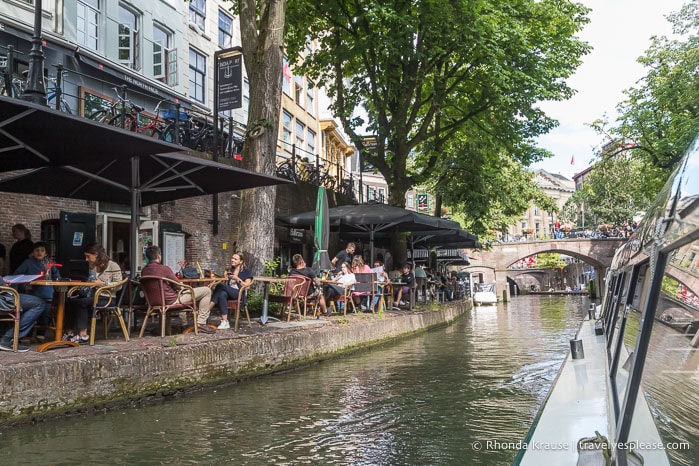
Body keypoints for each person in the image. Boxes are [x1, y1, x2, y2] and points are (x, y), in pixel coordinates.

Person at [141, 245, 214, 334]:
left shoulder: (144, 271)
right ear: (158, 256)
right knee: (206, 290)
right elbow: (178, 285)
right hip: (172, 300)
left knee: (173, 295)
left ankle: (165, 329)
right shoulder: (164, 269)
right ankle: (201, 324)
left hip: (154, 302)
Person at [64, 243, 123, 343]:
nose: (86, 259)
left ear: (96, 254)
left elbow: (119, 285)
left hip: (107, 298)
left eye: (88, 256)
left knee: (82, 303)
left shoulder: (113, 265)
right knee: (70, 301)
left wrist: (102, 284)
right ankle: (69, 332)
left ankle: (83, 335)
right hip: (93, 295)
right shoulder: (94, 268)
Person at [14, 241, 61, 338]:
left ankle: (41, 334)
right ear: (33, 252)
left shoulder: (50, 264)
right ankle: (28, 334)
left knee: (45, 316)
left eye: (42, 250)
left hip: (47, 295)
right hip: (32, 295)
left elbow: (57, 277)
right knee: (30, 316)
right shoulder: (28, 263)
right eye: (37, 250)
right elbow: (17, 274)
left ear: (46, 253)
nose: (39, 252)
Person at [0, 276, 45, 352]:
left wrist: (3, 281)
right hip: (3, 299)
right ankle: (9, 338)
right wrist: (3, 285)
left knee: (31, 302)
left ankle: (8, 336)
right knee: (39, 304)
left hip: (5, 295)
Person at [209, 252, 254, 330]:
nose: (232, 260)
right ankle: (225, 321)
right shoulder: (230, 270)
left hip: (239, 294)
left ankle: (207, 310)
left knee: (220, 286)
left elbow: (247, 286)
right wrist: (221, 277)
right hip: (229, 292)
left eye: (235, 259)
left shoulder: (246, 272)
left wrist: (237, 279)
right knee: (222, 294)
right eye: (232, 258)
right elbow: (224, 283)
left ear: (241, 261)